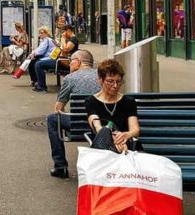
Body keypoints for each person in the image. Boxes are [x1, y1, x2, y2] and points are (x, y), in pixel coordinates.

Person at [46, 50, 100, 179]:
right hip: (102, 126)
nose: (69, 65)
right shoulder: (103, 76)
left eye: (71, 62)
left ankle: (60, 167)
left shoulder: (70, 78)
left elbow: (58, 108)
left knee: (52, 119)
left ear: (79, 62)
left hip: (78, 125)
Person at [85, 59, 140, 154]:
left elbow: (135, 130)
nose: (115, 85)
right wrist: (112, 140)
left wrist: (125, 135)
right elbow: (96, 125)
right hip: (103, 147)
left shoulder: (129, 102)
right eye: (110, 81)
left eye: (118, 81)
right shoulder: (91, 101)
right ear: (100, 80)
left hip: (126, 145)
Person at [34, 24, 79, 92]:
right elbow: (64, 51)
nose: (63, 34)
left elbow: (66, 49)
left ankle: (42, 86)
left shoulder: (73, 39)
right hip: (61, 59)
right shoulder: (70, 39)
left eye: (64, 32)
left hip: (64, 62)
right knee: (38, 62)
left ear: (68, 30)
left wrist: (63, 39)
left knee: (39, 64)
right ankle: (40, 84)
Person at [27, 26, 56, 91]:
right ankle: (35, 81)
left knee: (37, 63)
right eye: (39, 33)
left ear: (46, 33)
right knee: (32, 62)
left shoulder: (47, 40)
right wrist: (33, 53)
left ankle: (40, 84)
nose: (40, 34)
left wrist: (33, 54)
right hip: (47, 56)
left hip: (49, 57)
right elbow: (38, 49)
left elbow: (41, 51)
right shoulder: (44, 40)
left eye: (42, 33)